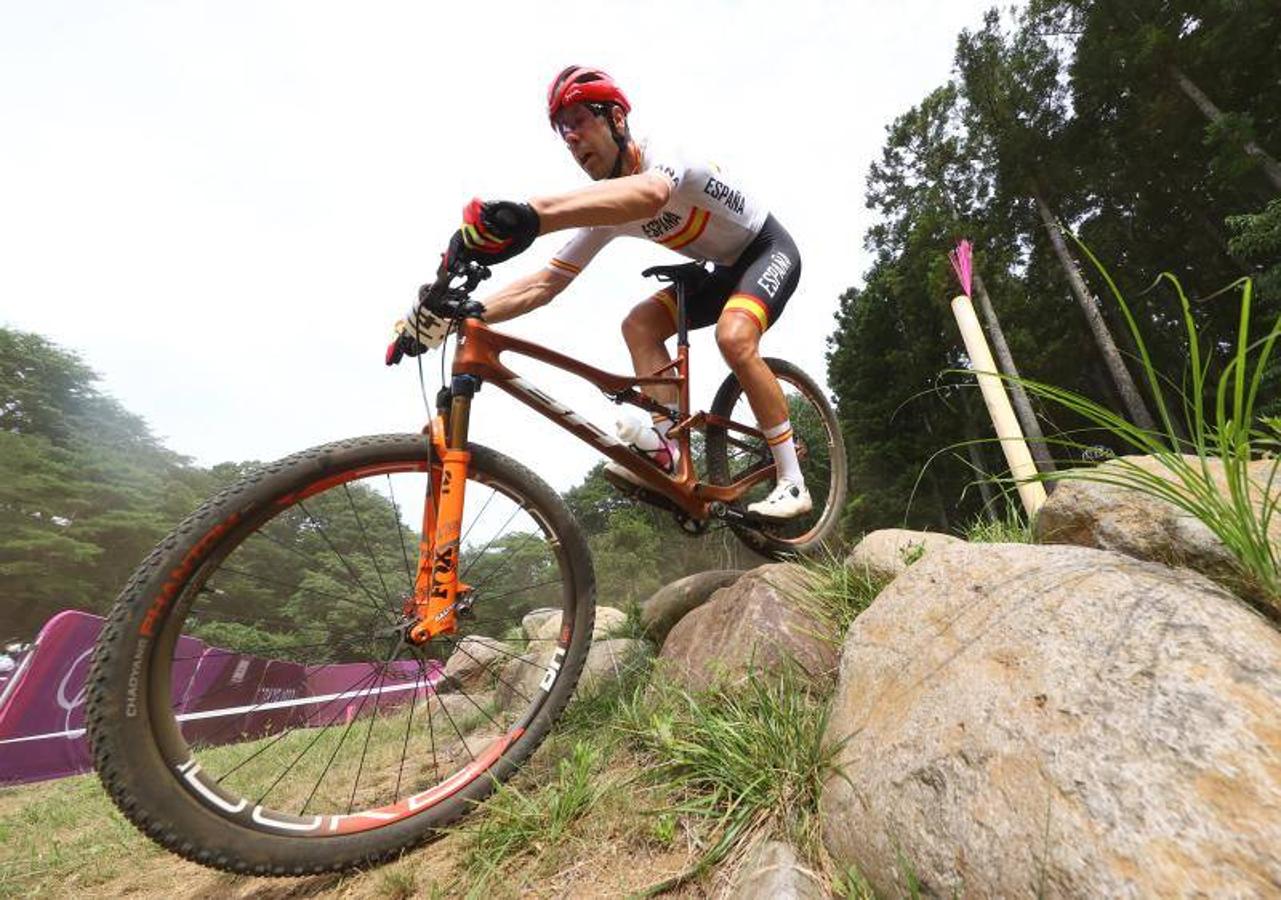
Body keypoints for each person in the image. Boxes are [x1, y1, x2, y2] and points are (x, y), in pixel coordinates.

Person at [397, 65, 810, 518]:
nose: (570, 139)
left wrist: (532, 215)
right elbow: (545, 283)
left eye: (578, 121)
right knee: (638, 325)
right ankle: (669, 450)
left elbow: (650, 195)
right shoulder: (608, 206)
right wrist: (461, 316)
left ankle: (793, 480)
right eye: (562, 132)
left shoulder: (665, 155)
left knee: (733, 337)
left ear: (616, 118)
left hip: (766, 249)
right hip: (718, 269)